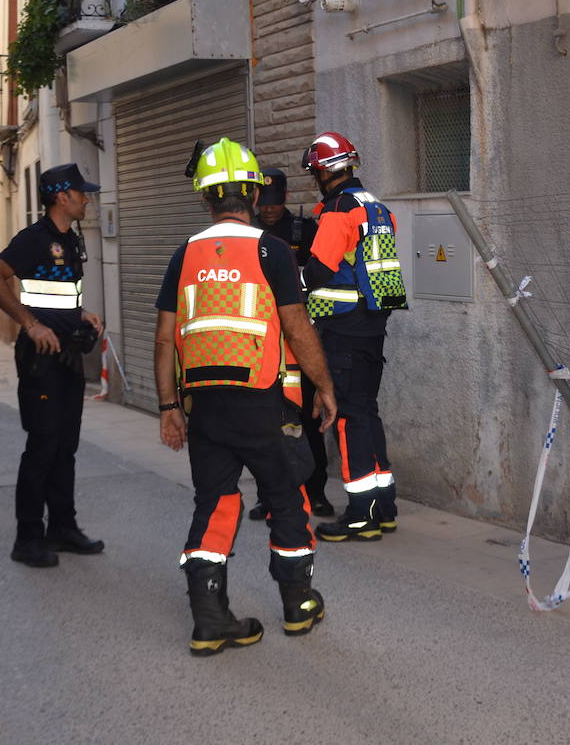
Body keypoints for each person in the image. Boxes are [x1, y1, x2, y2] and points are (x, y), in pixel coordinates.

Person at [154, 137, 337, 656]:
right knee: (285, 498)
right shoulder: (271, 251)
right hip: (266, 403)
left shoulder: (183, 255)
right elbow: (297, 328)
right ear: (255, 192)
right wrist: (325, 387)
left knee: (215, 503)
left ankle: (210, 620)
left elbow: (166, 337)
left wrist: (169, 407)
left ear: (205, 197)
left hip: (205, 407)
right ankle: (299, 607)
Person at [0, 163, 106, 568]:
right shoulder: (33, 240)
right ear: (61, 196)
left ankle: (63, 528)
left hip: (68, 355)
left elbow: (55, 293)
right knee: (42, 446)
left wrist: (80, 313)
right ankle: (28, 537)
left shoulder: (72, 240)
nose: (87, 198)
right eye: (81, 193)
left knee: (66, 446)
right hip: (41, 360)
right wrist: (30, 324)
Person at [301, 131, 408, 542]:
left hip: (341, 326)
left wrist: (289, 279)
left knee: (348, 417)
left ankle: (361, 515)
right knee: (367, 412)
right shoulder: (378, 209)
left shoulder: (339, 212)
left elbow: (320, 271)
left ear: (324, 172)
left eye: (314, 172)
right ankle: (384, 508)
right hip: (373, 325)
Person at [247, 167, 333, 519]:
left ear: (284, 196)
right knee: (266, 423)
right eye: (263, 203)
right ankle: (268, 495)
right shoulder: (247, 234)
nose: (268, 209)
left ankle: (316, 492)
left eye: (274, 202)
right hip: (262, 344)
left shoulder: (305, 231)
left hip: (299, 340)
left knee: (309, 420)